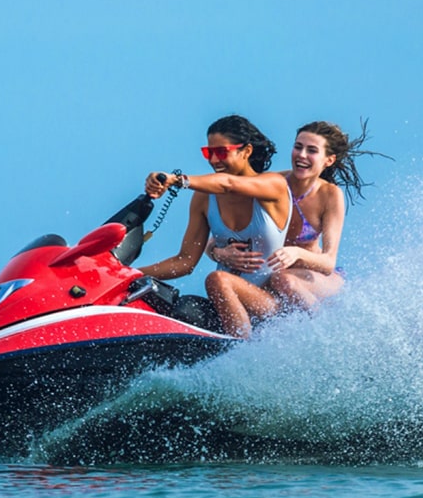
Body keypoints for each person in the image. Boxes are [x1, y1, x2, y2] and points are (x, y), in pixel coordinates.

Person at [139, 114, 292, 338]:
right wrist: (130, 274)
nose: (213, 160)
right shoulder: (203, 197)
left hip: (271, 307)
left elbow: (229, 184)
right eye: (208, 152)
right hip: (227, 309)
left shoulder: (273, 185)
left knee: (217, 279)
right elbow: (184, 262)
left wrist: (177, 180)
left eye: (221, 152)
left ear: (246, 151)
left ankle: (241, 352)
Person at [207, 120, 379, 313]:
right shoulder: (271, 184)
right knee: (272, 279)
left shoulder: (330, 195)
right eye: (298, 147)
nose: (302, 155)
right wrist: (219, 253)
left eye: (312, 150)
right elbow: (217, 239)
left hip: (314, 279)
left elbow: (328, 262)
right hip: (269, 280)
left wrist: (296, 253)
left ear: (328, 160)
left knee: (283, 280)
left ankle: (322, 332)